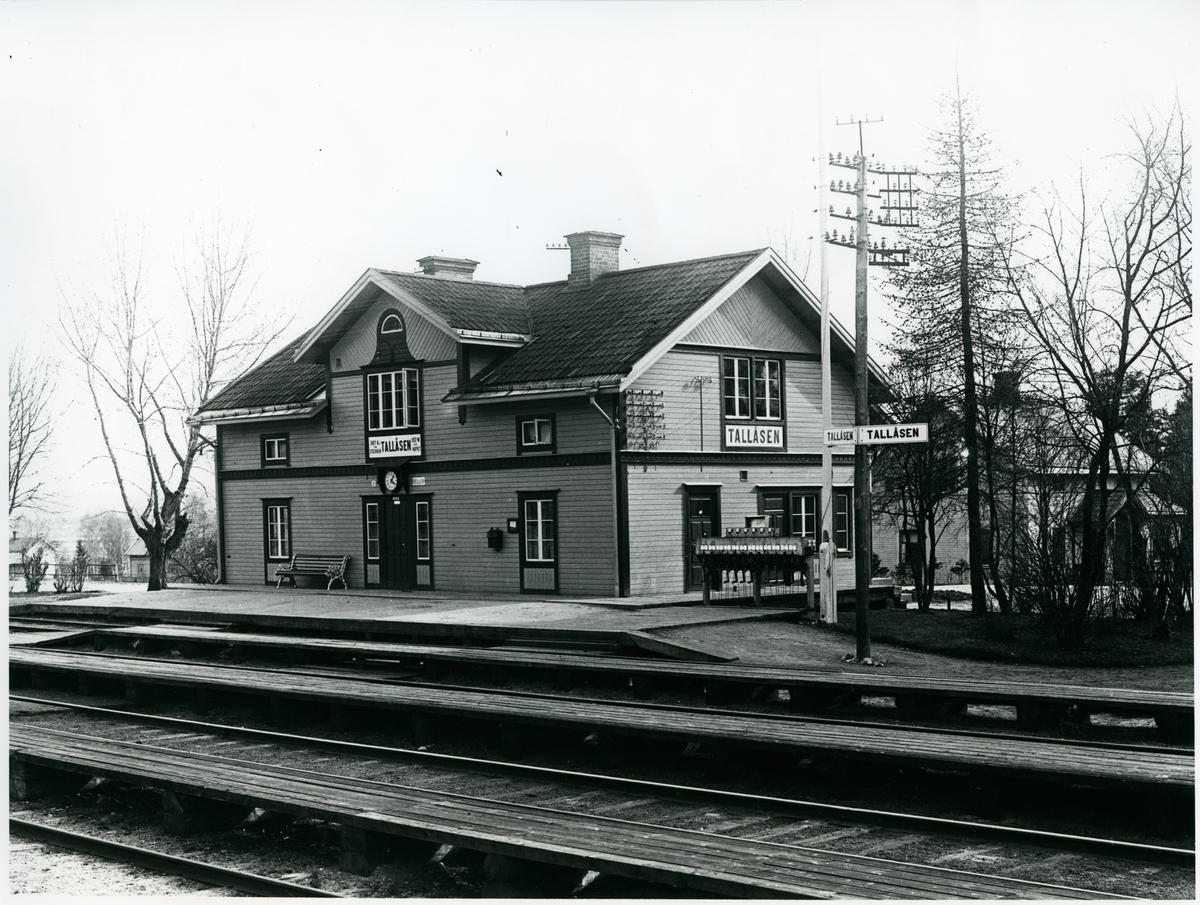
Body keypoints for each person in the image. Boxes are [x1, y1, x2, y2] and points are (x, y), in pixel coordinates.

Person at [818, 529, 837, 623]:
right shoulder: (827, 547)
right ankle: (826, 616)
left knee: (830, 590)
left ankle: (828, 616)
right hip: (827, 568)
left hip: (829, 568)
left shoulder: (830, 547)